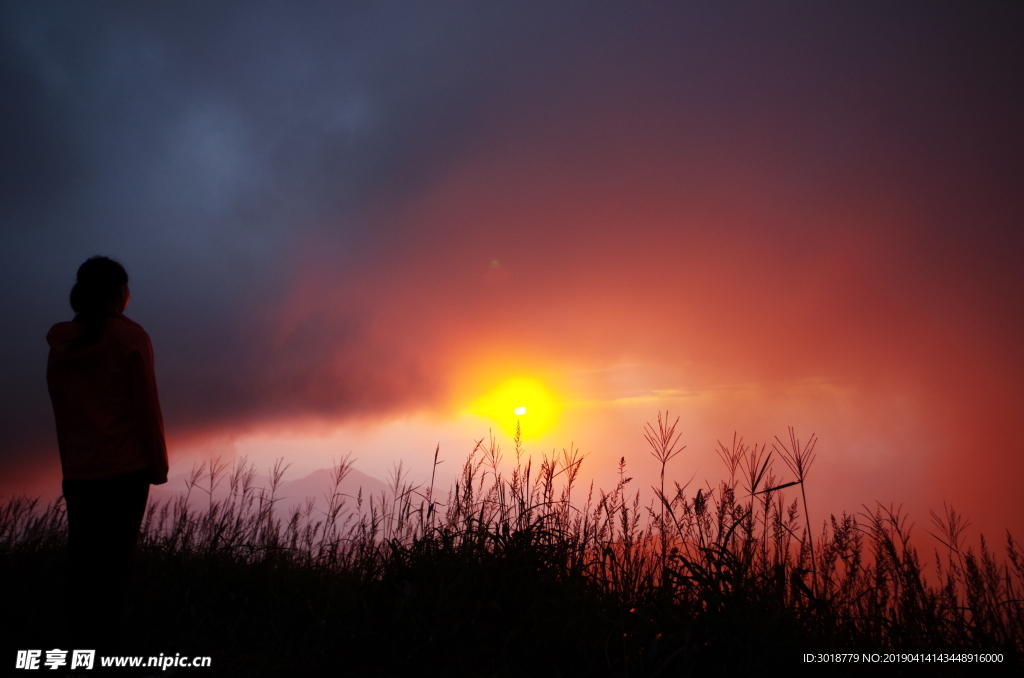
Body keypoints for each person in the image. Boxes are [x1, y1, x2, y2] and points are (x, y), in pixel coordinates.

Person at [46, 256, 169, 651]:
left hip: (79, 474)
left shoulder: (62, 343)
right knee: (112, 571)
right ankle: (106, 654)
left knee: (81, 568)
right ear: (120, 292)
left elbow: (61, 409)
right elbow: (146, 408)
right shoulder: (130, 337)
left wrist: (73, 464)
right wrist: (157, 465)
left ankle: (80, 651)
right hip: (125, 472)